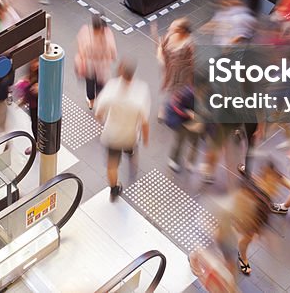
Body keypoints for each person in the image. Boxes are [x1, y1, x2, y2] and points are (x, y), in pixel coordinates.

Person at [222, 160, 290, 276]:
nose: (274, 185)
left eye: (275, 180)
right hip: (251, 215)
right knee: (247, 238)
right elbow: (240, 210)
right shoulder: (251, 189)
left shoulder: (274, 179)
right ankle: (242, 258)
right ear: (264, 177)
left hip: (263, 210)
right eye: (270, 180)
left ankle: (282, 207)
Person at [94, 59, 151, 202]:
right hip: (130, 135)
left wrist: (102, 120)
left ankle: (114, 189)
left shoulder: (112, 87)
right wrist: (145, 139)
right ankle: (130, 153)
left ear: (120, 71)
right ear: (133, 74)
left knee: (112, 166)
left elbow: (99, 113)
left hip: (112, 136)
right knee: (131, 148)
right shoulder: (141, 90)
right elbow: (144, 122)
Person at [76, 15, 118, 109]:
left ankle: (91, 102)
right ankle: (98, 102)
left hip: (90, 67)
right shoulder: (108, 35)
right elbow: (114, 54)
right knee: (100, 86)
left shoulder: (86, 32)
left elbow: (81, 51)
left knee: (90, 85)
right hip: (102, 68)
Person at [164, 82, 199, 173]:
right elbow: (177, 106)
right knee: (180, 141)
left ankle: (190, 161)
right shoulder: (187, 93)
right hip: (184, 123)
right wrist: (188, 113)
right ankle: (174, 159)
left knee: (195, 144)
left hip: (198, 125)